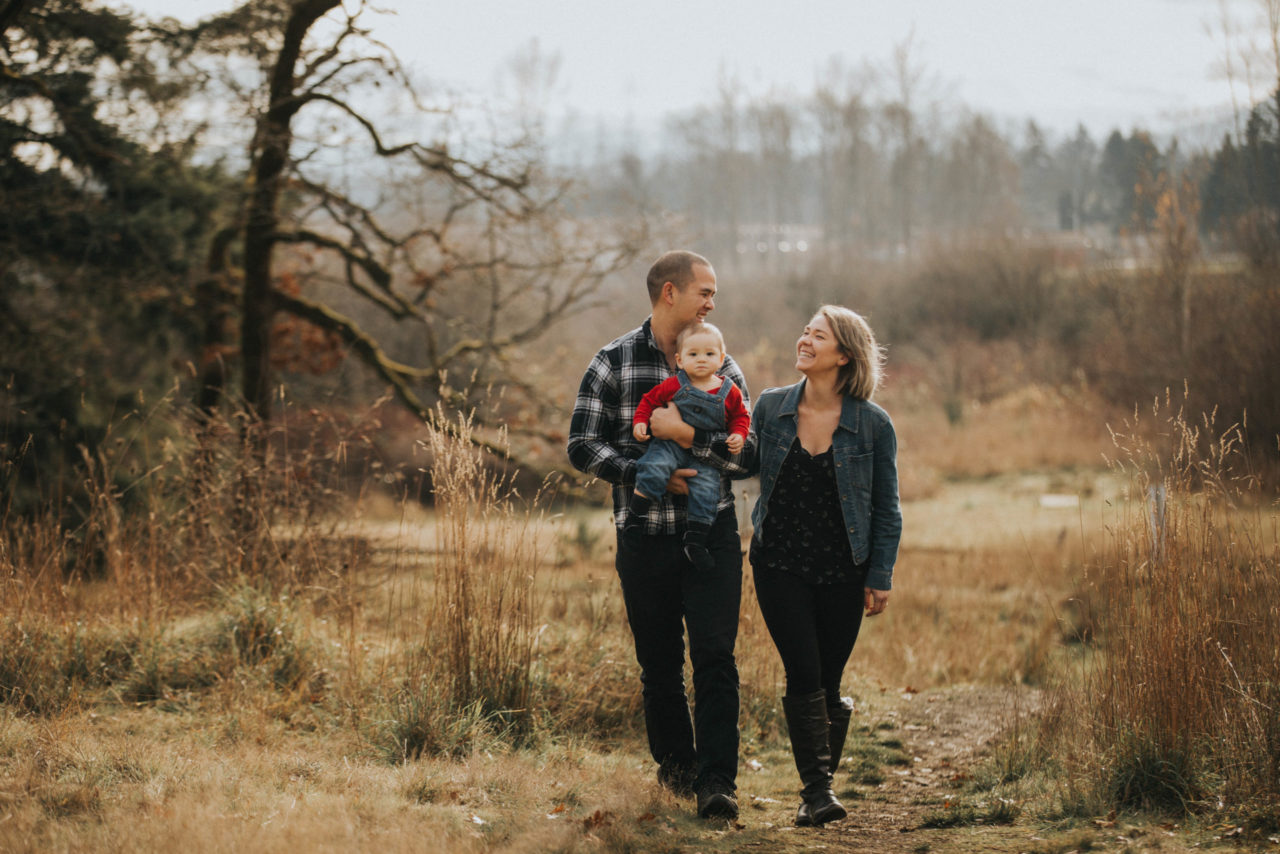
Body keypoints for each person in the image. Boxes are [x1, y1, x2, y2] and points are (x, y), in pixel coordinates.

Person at [567, 250, 751, 821]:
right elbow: (581, 445)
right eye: (704, 291)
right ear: (670, 293)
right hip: (643, 534)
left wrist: (688, 439)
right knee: (661, 666)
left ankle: (718, 783)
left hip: (711, 535)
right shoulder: (613, 361)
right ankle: (677, 777)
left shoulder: (725, 369)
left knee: (716, 657)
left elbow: (749, 458)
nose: (712, 302)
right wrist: (641, 473)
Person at [744, 305, 902, 827]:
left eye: (819, 335)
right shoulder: (769, 408)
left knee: (828, 684)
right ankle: (818, 791)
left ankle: (816, 793)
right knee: (804, 671)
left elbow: (886, 508)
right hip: (779, 564)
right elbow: (738, 459)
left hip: (843, 570)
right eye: (805, 331)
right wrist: (688, 422)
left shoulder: (873, 425)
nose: (805, 340)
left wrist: (880, 576)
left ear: (844, 355)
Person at [625, 321, 750, 570]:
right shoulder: (674, 384)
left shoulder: (729, 390)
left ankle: (695, 541)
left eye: (709, 354)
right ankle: (635, 518)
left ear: (721, 358)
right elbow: (648, 401)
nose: (701, 359)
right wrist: (640, 422)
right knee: (654, 466)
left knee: (706, 489)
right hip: (668, 446)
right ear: (680, 360)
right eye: (693, 354)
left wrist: (739, 434)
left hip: (704, 457)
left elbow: (741, 416)